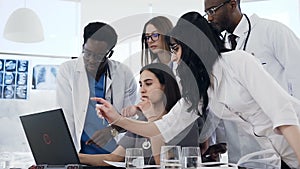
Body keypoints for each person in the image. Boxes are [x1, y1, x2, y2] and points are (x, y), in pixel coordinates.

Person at [93, 12, 300, 168]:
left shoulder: (238, 61)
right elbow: (163, 127)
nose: (173, 57)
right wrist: (117, 120)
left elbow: (283, 115)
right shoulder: (201, 90)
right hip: (279, 157)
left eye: (175, 48)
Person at [204, 0, 300, 164]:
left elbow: (297, 78)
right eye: (207, 13)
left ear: (232, 4)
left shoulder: (272, 31)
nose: (210, 18)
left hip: (287, 139)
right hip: (245, 153)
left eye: (213, 11)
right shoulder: (217, 49)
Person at [80, 63, 199, 166]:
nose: (142, 90)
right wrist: (76, 156)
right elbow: (114, 157)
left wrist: (152, 118)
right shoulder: (141, 119)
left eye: (148, 84)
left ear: (164, 86)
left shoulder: (183, 119)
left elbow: (163, 163)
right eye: (141, 84)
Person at [56, 22, 137, 154]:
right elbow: (66, 116)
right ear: (83, 46)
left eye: (99, 56)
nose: (92, 60)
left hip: (114, 154)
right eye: (87, 53)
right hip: (80, 153)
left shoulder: (123, 73)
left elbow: (131, 116)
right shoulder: (68, 71)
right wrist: (66, 155)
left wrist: (112, 131)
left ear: (109, 53)